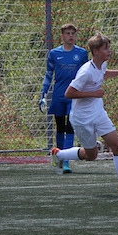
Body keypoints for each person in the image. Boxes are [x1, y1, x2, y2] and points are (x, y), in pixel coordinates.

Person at [50, 32, 118, 196]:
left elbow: (103, 74)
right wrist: (93, 93)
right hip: (81, 118)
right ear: (96, 51)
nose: (109, 51)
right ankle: (60, 154)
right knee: (91, 155)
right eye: (106, 48)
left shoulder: (102, 65)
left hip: (98, 113)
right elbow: (69, 93)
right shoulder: (85, 72)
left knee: (117, 145)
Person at [40, 23, 89, 175]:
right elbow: (49, 74)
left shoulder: (81, 53)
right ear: (62, 36)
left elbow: (86, 74)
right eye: (68, 33)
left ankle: (67, 160)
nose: (71, 36)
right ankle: (59, 156)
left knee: (71, 126)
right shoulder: (54, 53)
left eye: (73, 33)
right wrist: (43, 95)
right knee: (60, 127)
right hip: (59, 95)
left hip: (74, 96)